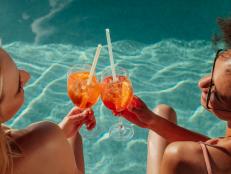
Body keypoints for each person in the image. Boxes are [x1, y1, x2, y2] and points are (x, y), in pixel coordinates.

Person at [116, 19, 231, 174]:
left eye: (213, 91)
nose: (201, 83)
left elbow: (207, 153)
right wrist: (152, 121)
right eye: (211, 71)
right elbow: (220, 146)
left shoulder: (180, 156)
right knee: (162, 112)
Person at [0, 47, 96, 174]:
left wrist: (59, 137)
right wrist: (66, 138)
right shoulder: (46, 137)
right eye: (18, 85)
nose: (27, 76)